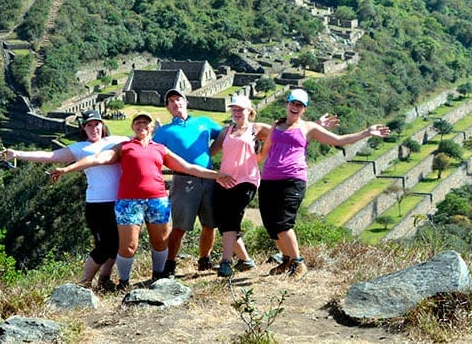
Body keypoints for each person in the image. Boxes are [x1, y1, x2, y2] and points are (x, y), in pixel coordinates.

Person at [52, 111, 235, 289]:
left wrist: (216, 175)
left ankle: (157, 276)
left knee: (160, 242)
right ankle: (124, 282)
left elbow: (188, 167)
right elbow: (98, 158)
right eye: (138, 123)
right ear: (132, 126)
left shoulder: (160, 149)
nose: (142, 126)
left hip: (157, 200)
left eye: (145, 123)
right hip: (129, 202)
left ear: (152, 127)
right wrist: (67, 169)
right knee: (129, 246)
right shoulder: (124, 147)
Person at [258, 88, 391, 280]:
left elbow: (338, 140)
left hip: (292, 179)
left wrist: (367, 132)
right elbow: (265, 151)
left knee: (282, 223)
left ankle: (299, 263)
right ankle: (286, 260)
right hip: (269, 179)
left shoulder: (309, 128)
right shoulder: (276, 126)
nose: (295, 107)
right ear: (287, 104)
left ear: (304, 109)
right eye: (293, 103)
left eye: (300, 105)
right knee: (270, 224)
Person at [0, 109, 127, 291]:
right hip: (97, 204)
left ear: (102, 125)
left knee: (117, 244)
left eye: (96, 124)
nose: (93, 128)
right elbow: (49, 156)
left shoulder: (118, 141)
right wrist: (17, 154)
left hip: (120, 202)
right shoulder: (80, 148)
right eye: (89, 125)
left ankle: (105, 279)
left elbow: (143, 141)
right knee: (103, 246)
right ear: (83, 127)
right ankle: (83, 284)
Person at [153, 88, 253, 277]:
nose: (176, 103)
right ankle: (170, 263)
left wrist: (211, 152)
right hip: (183, 181)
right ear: (168, 108)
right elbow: (152, 152)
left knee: (210, 224)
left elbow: (226, 132)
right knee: (180, 226)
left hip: (209, 180)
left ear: (186, 101)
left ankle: (204, 260)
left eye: (178, 99)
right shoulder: (165, 131)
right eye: (171, 101)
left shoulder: (203, 122)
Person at [207, 95, 269, 278]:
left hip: (246, 180)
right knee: (222, 223)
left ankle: (226, 263)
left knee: (232, 218)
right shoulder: (226, 131)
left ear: (249, 111)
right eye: (234, 109)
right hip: (224, 179)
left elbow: (283, 134)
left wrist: (262, 156)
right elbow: (211, 152)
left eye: (240, 109)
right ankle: (246, 261)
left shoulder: (256, 128)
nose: (237, 113)